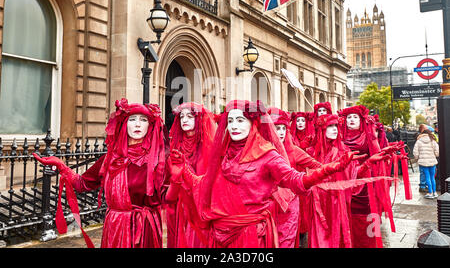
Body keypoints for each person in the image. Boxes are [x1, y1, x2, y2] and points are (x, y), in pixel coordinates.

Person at [168, 100, 385, 248]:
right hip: (221, 235)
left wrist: (333, 167)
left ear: (253, 123)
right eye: (231, 120)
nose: (234, 125)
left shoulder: (268, 155)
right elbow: (204, 185)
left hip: (251, 236)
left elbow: (297, 181)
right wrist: (184, 171)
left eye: (241, 120)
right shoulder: (223, 154)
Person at [33, 99, 175, 248]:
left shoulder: (159, 160)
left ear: (150, 126)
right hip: (115, 229)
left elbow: (168, 197)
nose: (137, 124)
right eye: (132, 119)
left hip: (144, 230)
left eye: (143, 120)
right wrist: (61, 165)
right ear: (124, 124)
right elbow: (82, 184)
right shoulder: (110, 158)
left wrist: (178, 179)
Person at [305, 114, 390, 248]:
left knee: (338, 238)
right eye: (330, 126)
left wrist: (368, 163)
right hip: (318, 204)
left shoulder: (343, 150)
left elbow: (353, 176)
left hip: (337, 203)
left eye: (336, 126)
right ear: (321, 129)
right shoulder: (311, 152)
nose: (334, 129)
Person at [338, 105, 395, 248]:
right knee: (345, 213)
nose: (351, 120)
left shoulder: (368, 134)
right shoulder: (339, 135)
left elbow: (377, 154)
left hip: (365, 181)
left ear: (361, 119)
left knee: (366, 213)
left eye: (355, 117)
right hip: (346, 179)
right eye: (349, 117)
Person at [268, 107, 323, 248]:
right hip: (267, 208)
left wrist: (340, 165)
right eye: (275, 128)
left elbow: (318, 166)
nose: (279, 132)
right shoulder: (259, 150)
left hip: (289, 208)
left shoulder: (294, 150)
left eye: (282, 128)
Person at [165, 102, 217, 248]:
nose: (184, 120)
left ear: (199, 119)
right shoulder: (177, 144)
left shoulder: (208, 144)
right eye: (182, 116)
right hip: (179, 205)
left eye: (190, 116)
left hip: (200, 205)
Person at [413, 129, 439, 199]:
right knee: (432, 177)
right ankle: (434, 192)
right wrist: (434, 155)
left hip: (423, 162)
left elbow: (415, 152)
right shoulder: (432, 141)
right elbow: (437, 152)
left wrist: (418, 157)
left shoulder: (418, 141)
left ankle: (430, 193)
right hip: (432, 161)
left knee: (427, 177)